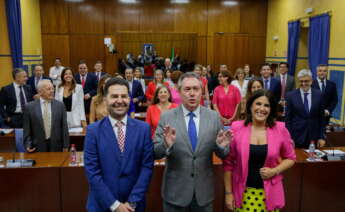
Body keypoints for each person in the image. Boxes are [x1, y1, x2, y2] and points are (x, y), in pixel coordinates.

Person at [154, 72, 231, 212]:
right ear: (179, 91)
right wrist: (166, 144)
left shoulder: (213, 117)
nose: (192, 93)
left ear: (201, 91)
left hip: (204, 194)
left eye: (196, 89)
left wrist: (221, 147)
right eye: (187, 89)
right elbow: (155, 153)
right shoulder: (167, 117)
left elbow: (224, 154)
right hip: (175, 193)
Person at [84, 78, 154, 212]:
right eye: (114, 96)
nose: (120, 101)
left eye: (124, 96)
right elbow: (92, 172)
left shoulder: (143, 129)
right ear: (105, 100)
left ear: (129, 98)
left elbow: (146, 168)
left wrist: (132, 202)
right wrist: (115, 205)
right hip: (102, 205)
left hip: (134, 206)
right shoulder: (93, 131)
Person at [223, 90, 296, 212]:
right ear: (250, 106)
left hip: (269, 195)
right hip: (242, 193)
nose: (262, 108)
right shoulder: (236, 128)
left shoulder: (280, 129)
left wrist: (275, 170)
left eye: (266, 105)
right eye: (258, 104)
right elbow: (228, 164)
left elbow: (291, 158)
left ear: (271, 109)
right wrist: (228, 193)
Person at [23, 80, 69, 152]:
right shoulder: (29, 107)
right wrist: (28, 145)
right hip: (37, 147)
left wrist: (66, 146)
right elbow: (27, 129)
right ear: (40, 92)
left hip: (56, 146)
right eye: (48, 89)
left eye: (52, 88)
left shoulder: (60, 105)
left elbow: (64, 127)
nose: (52, 91)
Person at [285, 69, 326, 148]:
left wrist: (322, 137)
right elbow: (288, 119)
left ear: (311, 81)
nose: (303, 83)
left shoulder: (319, 94)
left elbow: (322, 118)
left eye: (306, 81)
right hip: (296, 137)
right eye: (301, 81)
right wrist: (289, 138)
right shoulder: (291, 95)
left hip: (314, 138)